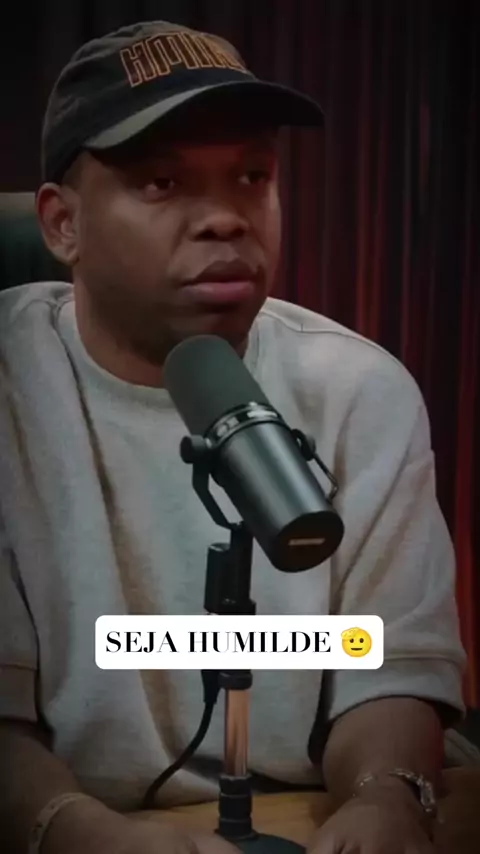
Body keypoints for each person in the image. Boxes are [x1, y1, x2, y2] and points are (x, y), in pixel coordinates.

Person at [0, 18, 466, 854]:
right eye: (162, 182)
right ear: (62, 224)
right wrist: (76, 832)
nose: (225, 219)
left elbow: (391, 666)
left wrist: (386, 798)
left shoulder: (361, 389)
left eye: (253, 176)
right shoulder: (10, 382)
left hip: (302, 811)